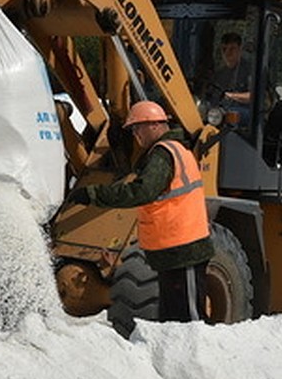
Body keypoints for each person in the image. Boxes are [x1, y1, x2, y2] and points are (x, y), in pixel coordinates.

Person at [66, 100, 214, 324]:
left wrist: (94, 195)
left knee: (190, 321)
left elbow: (142, 191)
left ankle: (199, 359)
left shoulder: (163, 154)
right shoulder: (170, 151)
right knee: (173, 321)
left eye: (137, 128)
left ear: (154, 125)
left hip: (185, 250)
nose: (136, 135)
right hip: (173, 252)